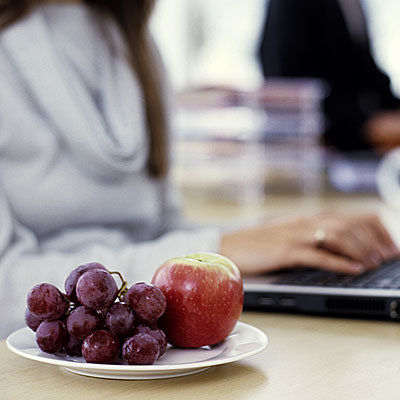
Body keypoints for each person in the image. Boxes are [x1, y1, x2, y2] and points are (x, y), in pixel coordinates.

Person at [0, 0, 398, 339]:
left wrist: (275, 237)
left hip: (141, 347)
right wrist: (217, 249)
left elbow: (159, 232)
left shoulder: (132, 42)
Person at [259, 0, 400, 153]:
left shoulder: (352, 4)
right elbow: (288, 82)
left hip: (353, 145)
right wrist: (364, 125)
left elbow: (365, 69)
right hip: (315, 148)